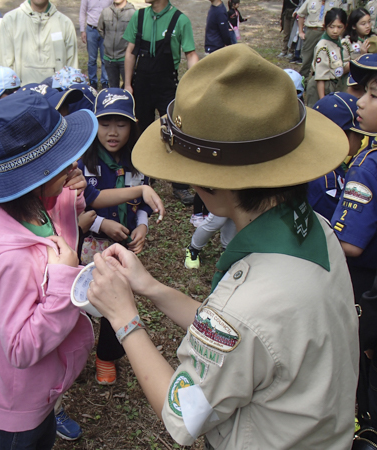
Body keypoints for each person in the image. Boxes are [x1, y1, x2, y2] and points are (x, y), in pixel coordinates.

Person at [87, 44, 359, 449]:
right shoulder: (315, 229)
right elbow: (247, 339)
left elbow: (184, 416)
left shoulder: (248, 308)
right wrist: (150, 287)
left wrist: (124, 318)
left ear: (212, 186)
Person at [0, 91, 98, 448]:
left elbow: (61, 227)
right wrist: (64, 281)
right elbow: (20, 349)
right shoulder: (12, 257)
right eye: (64, 161)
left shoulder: (38, 205)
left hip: (41, 389)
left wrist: (73, 196)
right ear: (36, 176)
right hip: (13, 402)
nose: (75, 163)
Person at [78, 88, 164, 385]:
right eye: (105, 124)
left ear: (133, 126)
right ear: (94, 125)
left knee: (119, 302)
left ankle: (106, 355)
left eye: (121, 124)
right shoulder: (85, 162)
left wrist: (142, 225)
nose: (112, 132)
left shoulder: (137, 162)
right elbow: (87, 201)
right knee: (83, 303)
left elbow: (143, 204)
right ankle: (75, 355)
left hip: (122, 248)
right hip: (88, 246)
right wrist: (102, 225)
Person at [332, 53, 377, 429]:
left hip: (365, 289)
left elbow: (351, 243)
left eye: (373, 95)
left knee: (363, 360)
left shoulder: (368, 164)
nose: (360, 101)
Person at [122, 0, 198, 206]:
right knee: (141, 130)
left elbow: (191, 54)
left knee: (175, 132)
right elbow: (130, 52)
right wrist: (128, 84)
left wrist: (192, 85)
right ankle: (144, 177)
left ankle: (180, 186)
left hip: (167, 85)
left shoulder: (180, 20)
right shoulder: (139, 17)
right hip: (142, 84)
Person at [307, 92, 368, 221]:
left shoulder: (326, 162)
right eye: (357, 133)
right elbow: (331, 222)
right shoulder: (326, 178)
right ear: (338, 134)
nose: (363, 137)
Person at [0, 0, 79, 85]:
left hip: (56, 95)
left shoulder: (65, 24)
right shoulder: (11, 20)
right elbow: (4, 65)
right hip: (22, 94)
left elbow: (72, 68)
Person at [305, 8, 348, 107]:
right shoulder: (323, 47)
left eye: (339, 27)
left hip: (334, 85)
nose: (335, 31)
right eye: (331, 27)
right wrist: (322, 100)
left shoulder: (338, 42)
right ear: (325, 27)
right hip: (321, 87)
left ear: (345, 27)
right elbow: (320, 76)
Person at [297, 0, 342, 79]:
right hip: (313, 31)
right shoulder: (310, 1)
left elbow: (340, 18)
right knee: (307, 56)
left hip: (328, 32)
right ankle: (303, 80)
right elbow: (300, 14)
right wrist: (301, 31)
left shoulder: (336, 2)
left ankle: (323, 78)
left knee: (327, 56)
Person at [97, 0, 135, 88]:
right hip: (109, 58)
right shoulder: (105, 12)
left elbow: (135, 35)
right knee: (113, 89)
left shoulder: (132, 13)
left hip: (125, 58)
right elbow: (100, 29)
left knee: (129, 87)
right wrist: (108, 41)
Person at [80, 0, 112, 89]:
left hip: (105, 30)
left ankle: (105, 81)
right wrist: (82, 30)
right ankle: (93, 81)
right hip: (91, 29)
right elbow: (82, 12)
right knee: (92, 59)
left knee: (105, 58)